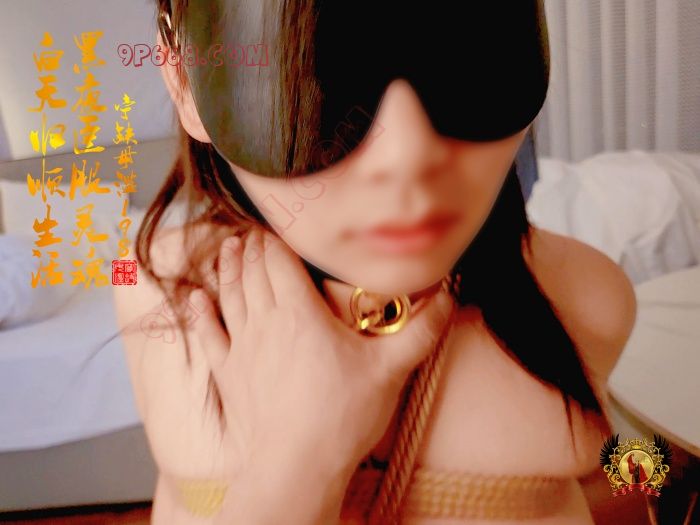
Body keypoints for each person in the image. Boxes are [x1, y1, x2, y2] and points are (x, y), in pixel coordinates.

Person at [113, 1, 638, 523]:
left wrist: (665, 478)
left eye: (469, 55)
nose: (407, 157)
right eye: (308, 74)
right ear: (184, 82)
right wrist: (297, 468)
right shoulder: (148, 286)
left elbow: (620, 478)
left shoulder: (591, 296)